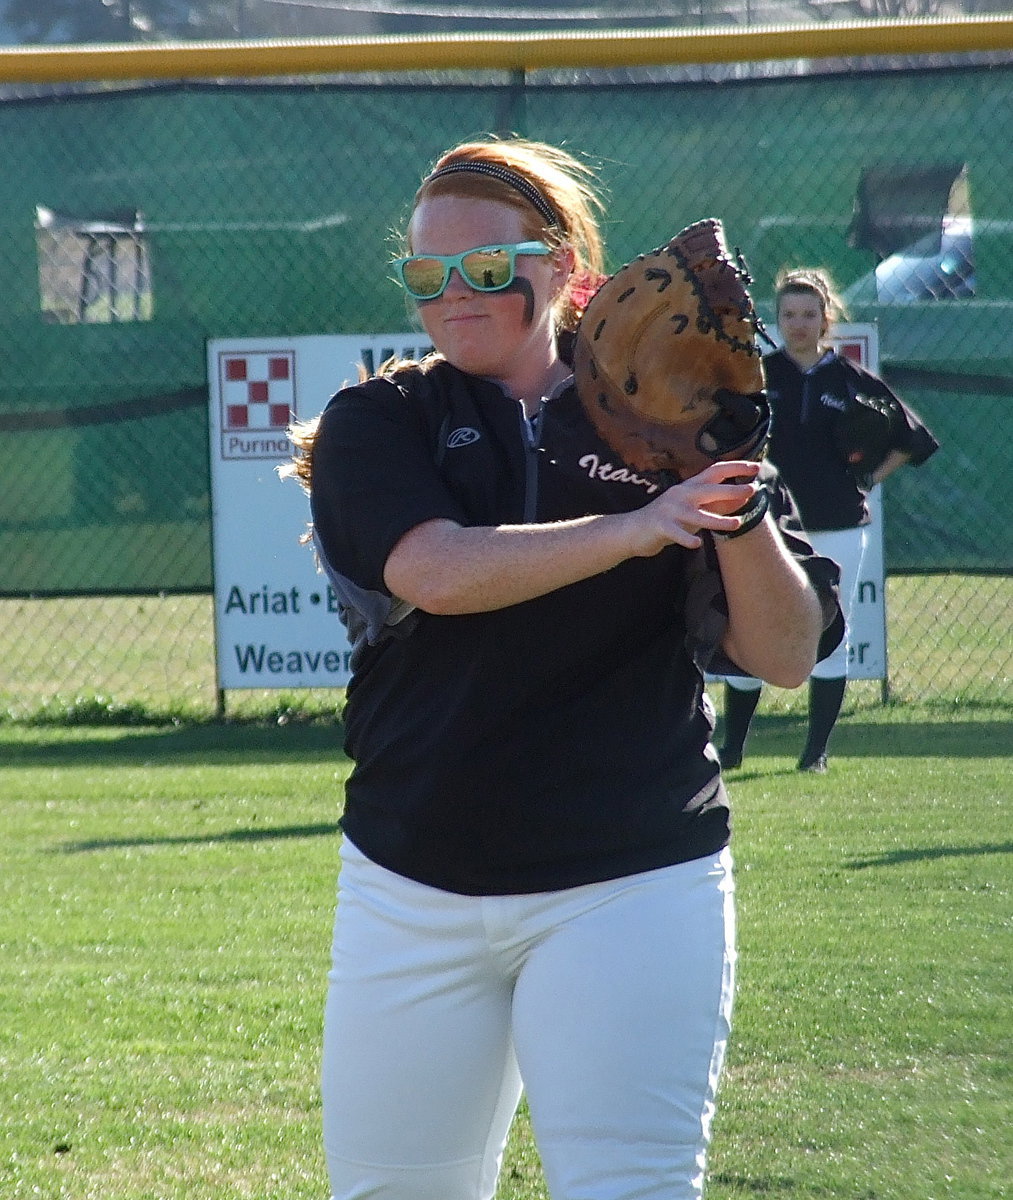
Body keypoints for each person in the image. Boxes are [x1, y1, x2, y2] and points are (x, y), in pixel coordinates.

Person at [285, 137, 843, 1200]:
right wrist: (636, 528)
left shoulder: (661, 419)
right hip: (413, 881)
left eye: (488, 270)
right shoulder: (384, 418)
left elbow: (780, 656)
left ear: (563, 270)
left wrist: (728, 494)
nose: (454, 295)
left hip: (629, 879)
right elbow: (436, 572)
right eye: (425, 275)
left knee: (628, 1187)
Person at [718, 267, 939, 774]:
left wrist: (866, 480)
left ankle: (815, 752)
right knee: (748, 627)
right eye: (788, 315)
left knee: (830, 632)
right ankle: (732, 748)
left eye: (808, 314)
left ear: (827, 317)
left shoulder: (849, 379)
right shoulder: (758, 376)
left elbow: (914, 440)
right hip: (766, 526)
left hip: (837, 523)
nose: (798, 324)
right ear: (776, 319)